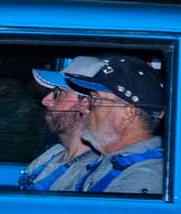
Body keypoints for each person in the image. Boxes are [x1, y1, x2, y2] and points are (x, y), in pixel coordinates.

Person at [64, 57, 167, 195]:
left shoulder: (143, 178)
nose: (84, 106)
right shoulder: (108, 161)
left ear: (127, 113)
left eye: (95, 99)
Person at [19, 55, 106, 191]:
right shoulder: (52, 155)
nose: (45, 101)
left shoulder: (92, 172)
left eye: (57, 94)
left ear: (86, 104)